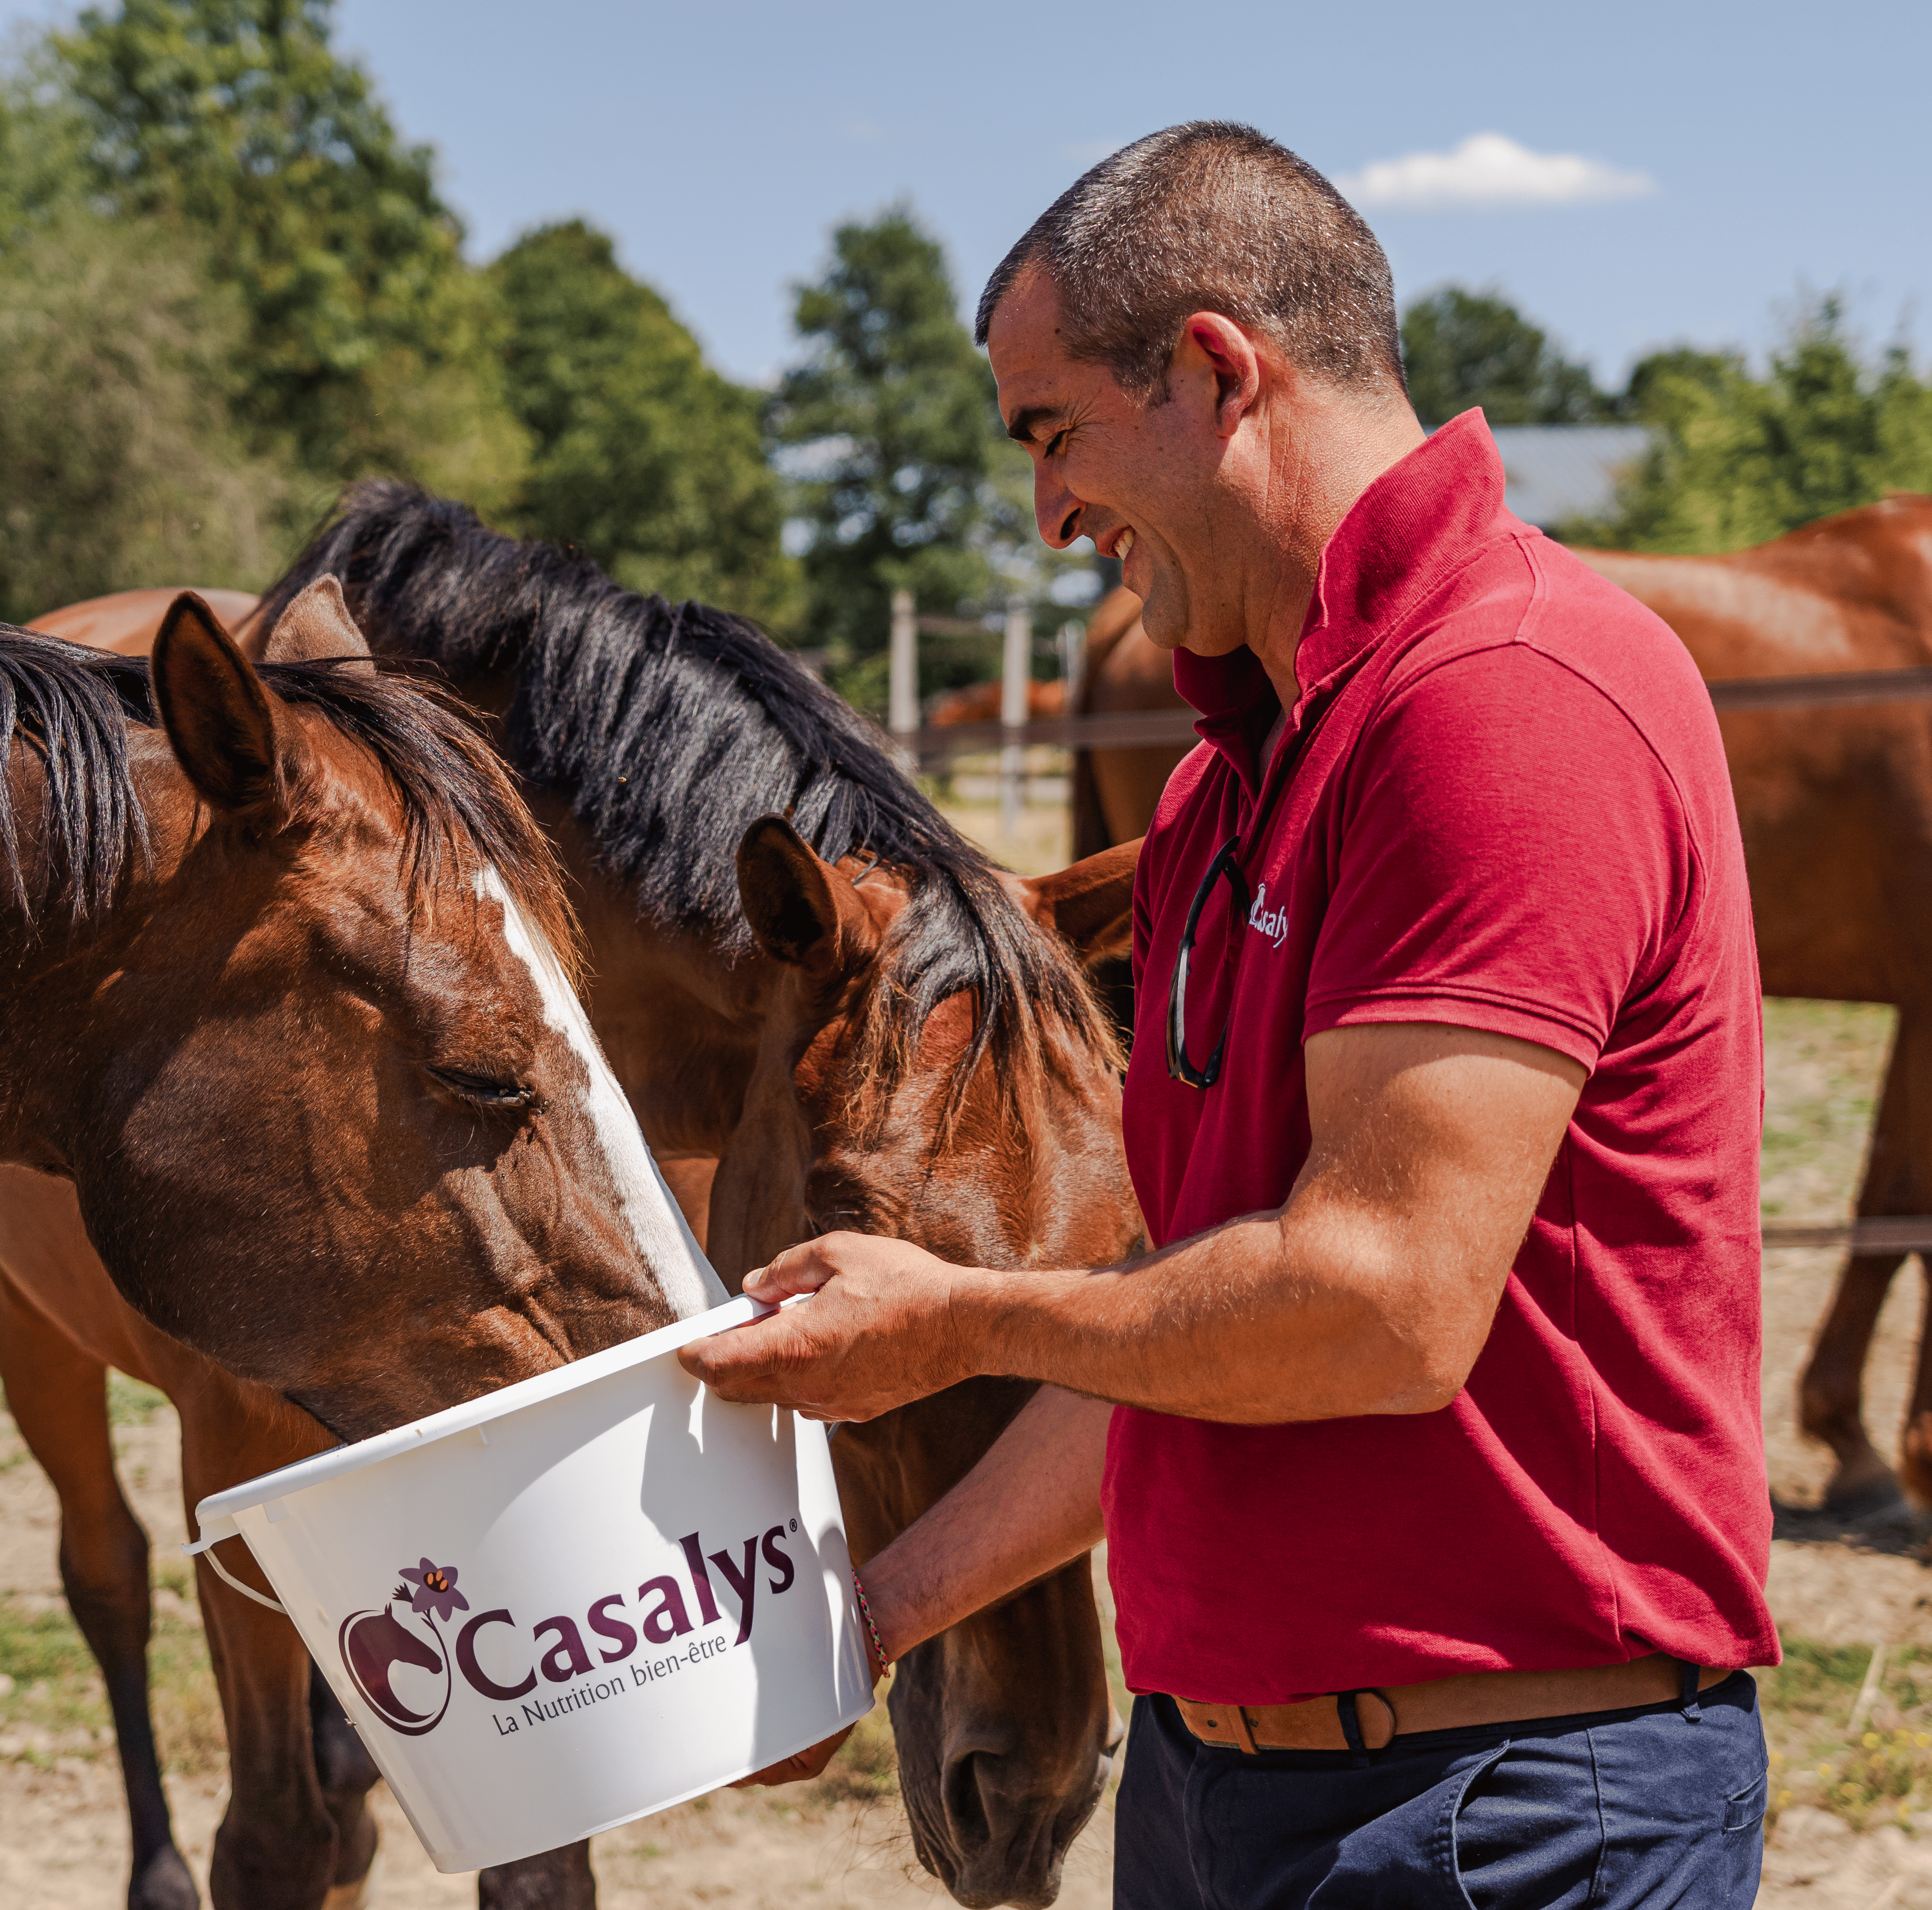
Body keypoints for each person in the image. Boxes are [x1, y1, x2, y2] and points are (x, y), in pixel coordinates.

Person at [680, 121, 1777, 1907]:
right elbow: (1177, 1325)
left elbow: (1375, 1305)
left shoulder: (1502, 699)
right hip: (1230, 1789)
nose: (1046, 511)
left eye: (1054, 434)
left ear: (1211, 371)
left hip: (1504, 1802)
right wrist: (867, 1624)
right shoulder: (1222, 790)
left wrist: (958, 1321)